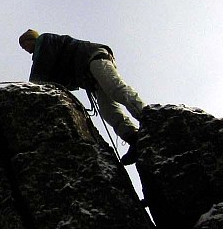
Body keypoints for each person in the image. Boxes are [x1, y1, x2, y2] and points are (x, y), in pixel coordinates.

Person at [18, 29, 145, 164]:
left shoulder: (44, 41)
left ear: (32, 39)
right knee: (108, 111)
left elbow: (42, 66)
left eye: (25, 44)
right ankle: (133, 137)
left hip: (92, 58)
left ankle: (146, 115)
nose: (25, 48)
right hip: (89, 75)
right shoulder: (53, 51)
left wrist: (31, 87)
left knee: (115, 89)